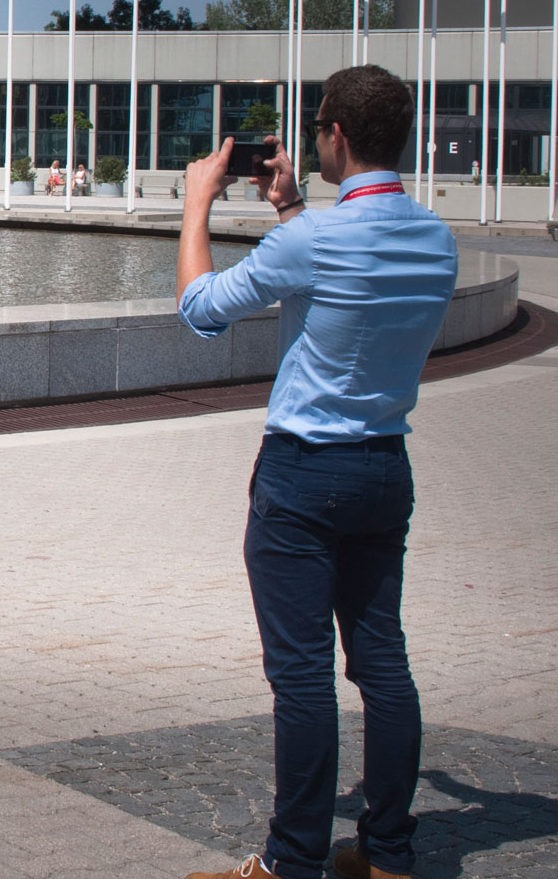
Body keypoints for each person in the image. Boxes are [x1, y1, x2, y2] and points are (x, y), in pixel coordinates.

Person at [175, 66, 458, 879]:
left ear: (334, 134)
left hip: (303, 476)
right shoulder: (435, 238)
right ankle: (389, 855)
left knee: (301, 677)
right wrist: (290, 206)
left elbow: (201, 311)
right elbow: (349, 292)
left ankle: (290, 862)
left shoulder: (314, 241)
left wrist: (197, 205)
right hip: (383, 467)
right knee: (384, 667)